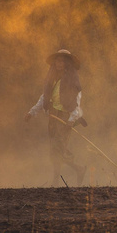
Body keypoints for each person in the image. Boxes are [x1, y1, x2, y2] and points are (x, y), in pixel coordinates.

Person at [25, 49, 87, 186]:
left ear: (67, 63)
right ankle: (62, 177)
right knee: (54, 152)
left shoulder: (72, 79)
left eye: (62, 60)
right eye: (57, 60)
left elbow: (77, 99)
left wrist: (71, 120)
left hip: (65, 118)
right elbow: (45, 97)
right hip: (53, 117)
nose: (59, 63)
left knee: (58, 148)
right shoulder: (51, 78)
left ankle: (76, 170)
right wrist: (32, 112)